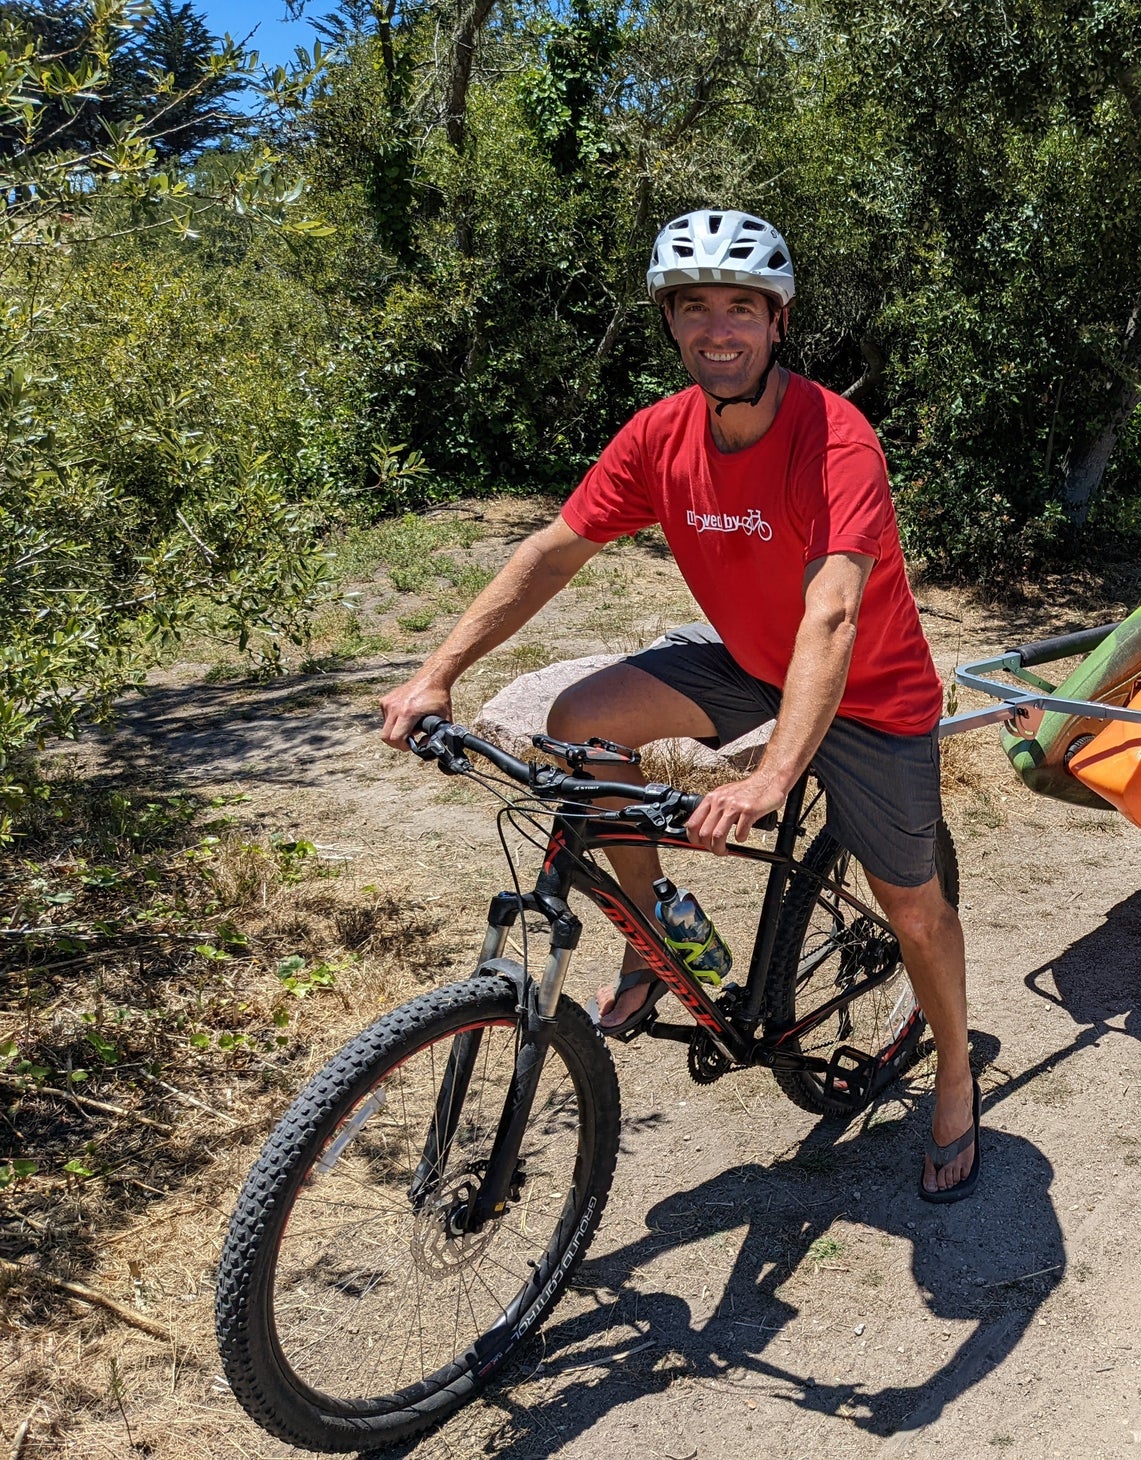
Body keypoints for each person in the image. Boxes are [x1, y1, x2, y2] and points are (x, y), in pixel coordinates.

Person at [377, 209, 979, 1202]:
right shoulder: (660, 435)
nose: (718, 328)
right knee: (579, 724)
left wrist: (772, 773)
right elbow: (551, 551)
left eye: (740, 306)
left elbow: (830, 616)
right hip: (748, 660)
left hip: (869, 694)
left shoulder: (835, 440)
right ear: (670, 322)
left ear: (776, 321)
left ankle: (953, 1069)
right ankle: (659, 929)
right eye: (693, 307)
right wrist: (435, 669)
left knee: (912, 906)